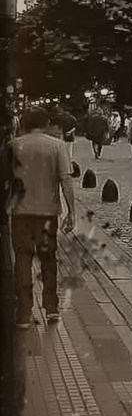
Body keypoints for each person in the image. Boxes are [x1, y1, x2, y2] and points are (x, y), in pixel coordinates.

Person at [8, 105, 75, 328]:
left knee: (23, 261)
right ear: (47, 124)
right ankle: (51, 308)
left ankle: (24, 312)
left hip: (20, 213)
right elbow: (66, 179)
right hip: (47, 214)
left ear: (25, 123)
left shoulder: (13, 146)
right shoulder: (57, 146)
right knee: (48, 260)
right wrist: (71, 212)